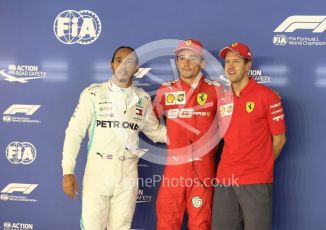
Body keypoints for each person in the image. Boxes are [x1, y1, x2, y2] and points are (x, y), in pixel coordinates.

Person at [61, 46, 167, 230]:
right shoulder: (93, 94)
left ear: (136, 67)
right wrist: (68, 171)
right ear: (112, 65)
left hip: (128, 173)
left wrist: (191, 134)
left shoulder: (142, 99)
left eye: (130, 61)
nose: (123, 66)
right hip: (98, 171)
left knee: (122, 227)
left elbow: (155, 131)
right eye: (119, 60)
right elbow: (74, 132)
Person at [211, 42, 287, 230]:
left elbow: (280, 139)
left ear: (248, 65)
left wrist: (261, 164)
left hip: (255, 179)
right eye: (227, 61)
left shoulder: (267, 96)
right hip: (225, 179)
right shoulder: (221, 98)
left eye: (236, 61)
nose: (230, 66)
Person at [154, 39, 223, 230]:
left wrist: (265, 96)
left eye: (193, 58)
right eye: (181, 58)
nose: (186, 63)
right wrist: (165, 136)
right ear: (176, 62)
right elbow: (147, 120)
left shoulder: (216, 89)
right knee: (166, 223)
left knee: (201, 224)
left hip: (203, 171)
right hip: (173, 171)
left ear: (202, 62)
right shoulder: (166, 90)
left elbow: (236, 115)